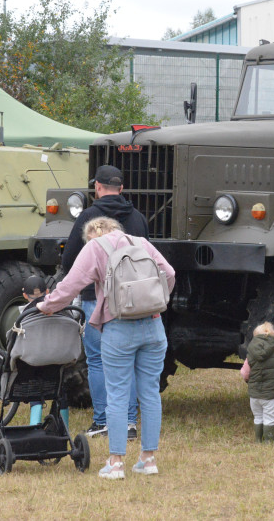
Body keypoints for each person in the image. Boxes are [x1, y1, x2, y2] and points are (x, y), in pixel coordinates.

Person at [37, 216, 175, 480]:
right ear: (117, 229)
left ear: (92, 235)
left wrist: (47, 305)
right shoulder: (141, 242)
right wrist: (157, 302)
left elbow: (70, 286)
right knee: (149, 394)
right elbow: (169, 274)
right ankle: (148, 460)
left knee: (117, 394)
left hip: (118, 327)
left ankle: (116, 463)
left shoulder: (95, 248)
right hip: (154, 326)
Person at [61, 164, 148, 440]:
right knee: (128, 360)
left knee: (97, 361)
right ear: (121, 189)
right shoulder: (138, 219)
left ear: (97, 188)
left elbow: (69, 260)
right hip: (131, 300)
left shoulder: (89, 216)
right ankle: (130, 423)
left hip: (94, 299)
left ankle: (102, 420)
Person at [21, 275, 69, 428]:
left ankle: (34, 424)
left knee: (35, 387)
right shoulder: (61, 311)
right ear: (48, 291)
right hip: (58, 361)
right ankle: (64, 426)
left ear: (24, 295)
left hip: (34, 363)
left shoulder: (24, 317)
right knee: (60, 388)